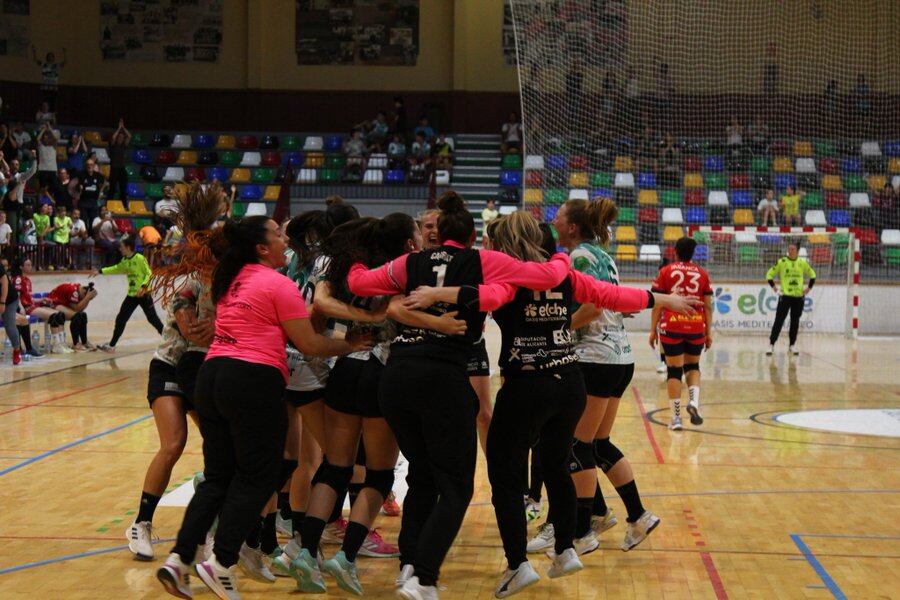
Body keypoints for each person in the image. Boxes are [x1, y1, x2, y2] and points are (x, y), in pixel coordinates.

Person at [400, 212, 697, 596]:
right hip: (569, 381)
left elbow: (486, 298)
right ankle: (565, 549)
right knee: (558, 465)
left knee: (506, 477)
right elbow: (612, 297)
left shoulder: (506, 276)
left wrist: (436, 294)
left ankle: (517, 564)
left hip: (526, 385)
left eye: (492, 243)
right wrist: (663, 297)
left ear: (506, 244)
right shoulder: (565, 274)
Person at [346, 191, 574, 598]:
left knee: (424, 476)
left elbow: (358, 282)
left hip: (395, 377)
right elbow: (545, 277)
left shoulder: (409, 262)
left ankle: (409, 566)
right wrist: (560, 256)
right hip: (443, 377)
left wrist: (359, 254)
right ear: (472, 237)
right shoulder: (483, 261)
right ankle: (423, 579)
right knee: (456, 487)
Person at [157, 216, 371, 600]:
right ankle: (220, 562)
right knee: (259, 476)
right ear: (261, 247)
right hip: (252, 379)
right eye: (276, 235)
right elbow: (310, 344)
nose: (283, 239)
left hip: (213, 376)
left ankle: (179, 557)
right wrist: (350, 344)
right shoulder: (278, 283)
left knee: (219, 477)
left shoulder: (231, 279)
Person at [286, 215, 420, 595]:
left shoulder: (353, 272)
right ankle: (345, 557)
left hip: (345, 368)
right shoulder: (403, 272)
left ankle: (305, 550)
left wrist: (360, 317)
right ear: (406, 242)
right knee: (378, 475)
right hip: (380, 372)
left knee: (335, 466)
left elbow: (323, 301)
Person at [125, 181, 225, 562]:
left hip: (204, 368)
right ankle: (141, 523)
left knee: (218, 449)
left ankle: (208, 521)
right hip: (171, 364)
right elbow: (189, 329)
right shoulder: (186, 277)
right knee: (173, 444)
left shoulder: (225, 277)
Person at [650, 237, 714, 431]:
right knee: (693, 366)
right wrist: (708, 332)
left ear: (675, 252)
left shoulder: (666, 271)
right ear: (693, 253)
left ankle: (676, 418)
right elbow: (708, 306)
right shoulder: (702, 273)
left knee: (674, 371)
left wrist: (653, 330)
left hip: (672, 326)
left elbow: (657, 303)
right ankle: (694, 402)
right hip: (696, 325)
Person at [93, 235, 163, 352]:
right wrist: (100, 271)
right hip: (132, 295)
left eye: (122, 247)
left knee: (153, 319)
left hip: (143, 294)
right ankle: (111, 346)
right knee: (121, 319)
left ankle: (170, 340)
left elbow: (149, 274)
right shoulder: (125, 261)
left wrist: (144, 286)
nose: (120, 249)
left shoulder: (140, 258)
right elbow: (116, 268)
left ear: (128, 247)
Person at [765, 243, 816, 356]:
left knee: (795, 322)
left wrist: (809, 288)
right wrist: (776, 289)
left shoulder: (802, 263)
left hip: (798, 298)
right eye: (789, 249)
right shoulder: (782, 262)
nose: (790, 250)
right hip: (785, 297)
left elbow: (812, 274)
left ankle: (792, 345)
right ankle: (771, 344)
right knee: (779, 320)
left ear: (797, 251)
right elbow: (769, 275)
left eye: (793, 249)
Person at [12, 257, 66, 354]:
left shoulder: (27, 280)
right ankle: (56, 345)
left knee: (60, 314)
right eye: (27, 265)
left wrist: (41, 299)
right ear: (21, 267)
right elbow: (17, 296)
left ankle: (61, 343)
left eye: (30, 264)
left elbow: (29, 298)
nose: (30, 267)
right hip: (25, 308)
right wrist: (20, 307)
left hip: (31, 306)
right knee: (54, 316)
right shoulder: (18, 279)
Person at [44, 281, 98, 350]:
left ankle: (84, 342)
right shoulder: (73, 291)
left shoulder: (79, 290)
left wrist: (88, 299)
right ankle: (75, 344)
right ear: (84, 292)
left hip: (61, 303)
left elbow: (81, 310)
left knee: (83, 315)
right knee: (76, 316)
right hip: (52, 303)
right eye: (84, 297)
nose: (82, 300)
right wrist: (87, 298)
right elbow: (77, 309)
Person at [0, 256, 22, 365]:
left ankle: (17, 351)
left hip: (9, 299)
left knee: (9, 325)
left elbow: (4, 282)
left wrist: (2, 302)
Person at [31, 46, 66, 110]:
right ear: (47, 58)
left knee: (53, 102)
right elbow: (36, 60)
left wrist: (64, 53)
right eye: (49, 56)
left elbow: (64, 63)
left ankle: (52, 116)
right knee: (45, 102)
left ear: (53, 58)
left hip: (54, 87)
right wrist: (34, 51)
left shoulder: (56, 65)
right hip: (45, 86)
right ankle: (45, 115)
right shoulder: (44, 64)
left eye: (51, 56)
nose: (50, 58)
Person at [78, 158, 105, 230]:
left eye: (91, 164)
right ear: (85, 166)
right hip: (83, 201)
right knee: (83, 221)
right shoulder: (81, 174)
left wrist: (100, 191)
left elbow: (104, 184)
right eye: (88, 164)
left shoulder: (99, 176)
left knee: (93, 221)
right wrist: (79, 188)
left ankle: (91, 237)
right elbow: (76, 186)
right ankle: (84, 237)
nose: (89, 166)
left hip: (93, 201)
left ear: (94, 165)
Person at [108, 118, 132, 201]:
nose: (121, 138)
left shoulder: (123, 146)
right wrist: (119, 128)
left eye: (122, 137)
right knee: (112, 188)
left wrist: (123, 127)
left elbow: (129, 136)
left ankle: (124, 204)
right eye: (120, 137)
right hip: (114, 168)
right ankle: (109, 203)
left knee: (123, 188)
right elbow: (113, 137)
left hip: (121, 168)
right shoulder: (113, 145)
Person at [36, 123, 58, 190]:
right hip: (42, 169)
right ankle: (41, 200)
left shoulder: (54, 146)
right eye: (45, 137)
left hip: (52, 170)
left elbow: (56, 138)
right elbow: (37, 139)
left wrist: (49, 128)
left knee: (53, 189)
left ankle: (52, 200)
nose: (47, 138)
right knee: (42, 188)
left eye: (48, 137)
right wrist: (44, 129)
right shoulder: (41, 146)